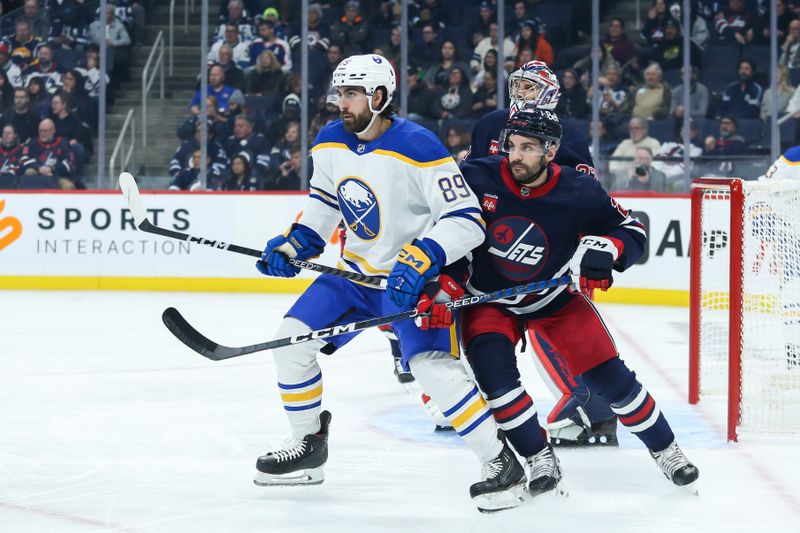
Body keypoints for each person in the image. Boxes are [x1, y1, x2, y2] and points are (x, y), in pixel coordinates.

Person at [251, 53, 527, 513]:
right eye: (340, 92)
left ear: (379, 97)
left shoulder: (419, 146)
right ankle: (308, 447)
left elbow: (466, 221)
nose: (343, 102)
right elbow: (325, 204)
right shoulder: (329, 141)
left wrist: (421, 259)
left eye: (353, 93)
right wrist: (296, 244)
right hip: (354, 279)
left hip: (411, 283)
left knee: (433, 370)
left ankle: (501, 464)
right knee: (289, 342)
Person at [420, 108, 700, 494]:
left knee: (612, 380)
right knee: (497, 385)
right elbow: (450, 232)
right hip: (487, 300)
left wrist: (609, 249)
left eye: (528, 148)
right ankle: (538, 457)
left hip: (553, 299)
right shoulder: (476, 176)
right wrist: (446, 282)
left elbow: (630, 228)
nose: (515, 155)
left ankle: (667, 450)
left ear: (551, 151)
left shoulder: (577, 190)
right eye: (511, 146)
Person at [465, 61, 622, 448]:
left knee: (553, 327)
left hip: (548, 248)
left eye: (531, 89)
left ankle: (592, 408)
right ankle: (495, 402)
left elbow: (584, 195)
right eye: (517, 86)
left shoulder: (565, 136)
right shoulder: (490, 123)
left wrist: (580, 249)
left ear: (550, 93)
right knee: (481, 329)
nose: (521, 94)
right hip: (494, 244)